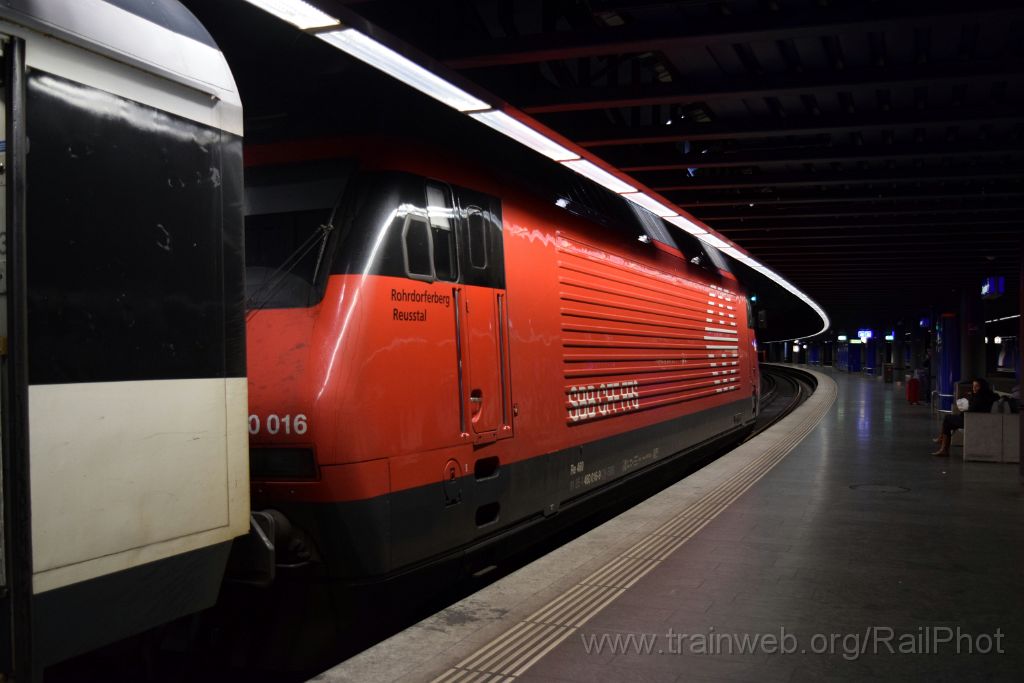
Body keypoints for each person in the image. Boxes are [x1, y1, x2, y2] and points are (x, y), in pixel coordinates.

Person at [930, 378, 998, 456]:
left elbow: (972, 410)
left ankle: (943, 445)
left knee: (947, 419)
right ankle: (942, 443)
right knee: (949, 422)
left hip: (972, 421)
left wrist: (966, 407)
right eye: (973, 386)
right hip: (977, 419)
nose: (974, 388)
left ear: (982, 387)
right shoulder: (987, 395)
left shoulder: (980, 398)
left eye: (977, 386)